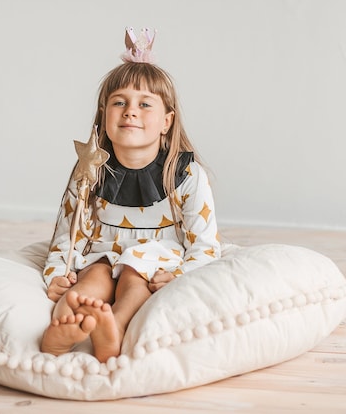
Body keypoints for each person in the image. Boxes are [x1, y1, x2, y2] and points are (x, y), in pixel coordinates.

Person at [40, 28, 221, 363]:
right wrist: (58, 277)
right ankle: (64, 326)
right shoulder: (89, 170)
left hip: (153, 260)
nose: (130, 111)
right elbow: (67, 236)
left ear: (167, 121)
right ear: (103, 116)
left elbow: (206, 246)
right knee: (92, 279)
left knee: (134, 277)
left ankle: (115, 327)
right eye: (119, 102)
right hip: (102, 252)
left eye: (145, 104)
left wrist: (179, 277)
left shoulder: (185, 174)